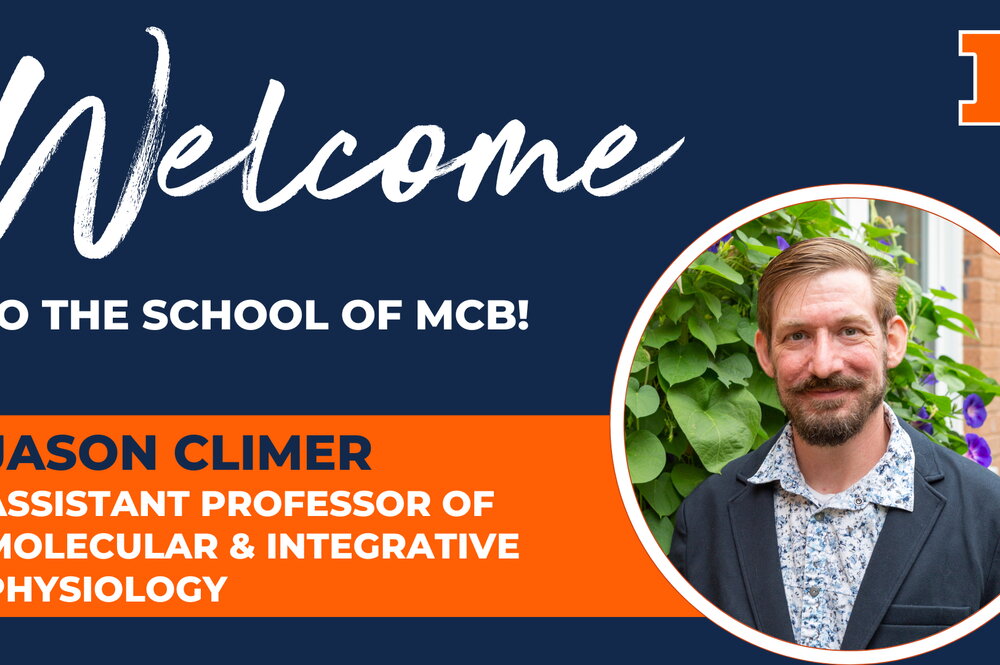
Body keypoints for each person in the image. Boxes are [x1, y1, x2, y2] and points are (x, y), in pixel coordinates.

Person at [668, 236, 1000, 650]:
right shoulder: (705, 519)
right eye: (797, 336)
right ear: (765, 354)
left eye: (849, 330)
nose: (824, 364)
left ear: (892, 341)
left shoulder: (989, 515)